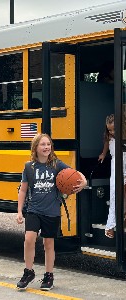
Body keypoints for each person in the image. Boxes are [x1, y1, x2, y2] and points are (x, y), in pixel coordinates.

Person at [16, 133, 87, 291]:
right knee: (29, 239)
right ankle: (28, 272)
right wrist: (19, 211)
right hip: (34, 209)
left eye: (48, 144)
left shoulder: (56, 164)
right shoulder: (29, 167)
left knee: (48, 243)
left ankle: (49, 276)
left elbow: (76, 174)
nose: (46, 147)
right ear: (35, 148)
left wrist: (84, 182)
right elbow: (23, 190)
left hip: (52, 210)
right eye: (43, 144)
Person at [98, 114, 126, 238]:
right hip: (116, 164)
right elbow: (106, 145)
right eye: (110, 129)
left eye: (115, 129)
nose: (112, 132)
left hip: (125, 162)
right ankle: (110, 225)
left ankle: (123, 215)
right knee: (115, 194)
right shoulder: (109, 136)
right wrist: (103, 154)